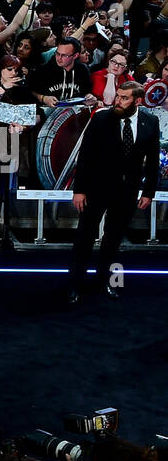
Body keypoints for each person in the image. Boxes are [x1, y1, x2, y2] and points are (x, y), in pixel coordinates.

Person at [67, 81, 159, 303]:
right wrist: (78, 190)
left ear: (137, 101)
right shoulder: (101, 118)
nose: (118, 101)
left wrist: (148, 192)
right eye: (118, 96)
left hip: (127, 191)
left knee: (113, 238)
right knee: (85, 237)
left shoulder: (150, 122)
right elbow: (86, 156)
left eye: (124, 98)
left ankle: (102, 282)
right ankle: (75, 284)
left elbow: (153, 160)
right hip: (96, 188)